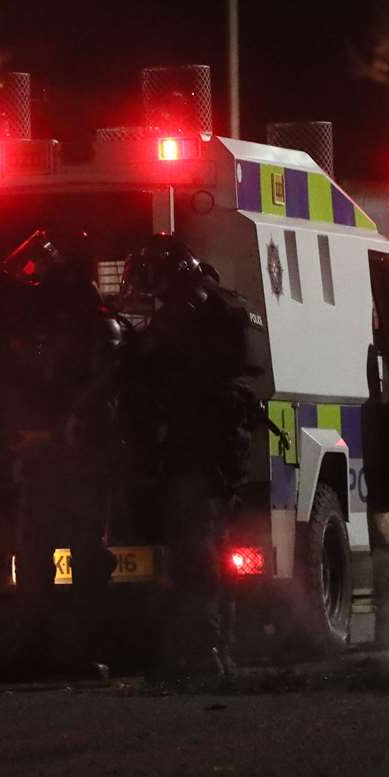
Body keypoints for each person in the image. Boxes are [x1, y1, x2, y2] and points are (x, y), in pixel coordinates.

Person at [122, 233, 269, 674]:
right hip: (225, 435)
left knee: (196, 544)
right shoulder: (221, 302)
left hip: (200, 435)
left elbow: (156, 362)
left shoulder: (186, 308)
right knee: (216, 540)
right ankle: (221, 645)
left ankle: (205, 648)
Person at [0, 228, 125, 678]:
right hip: (47, 465)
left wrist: (50, 437)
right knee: (36, 558)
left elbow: (96, 404)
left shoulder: (95, 325)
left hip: (78, 465)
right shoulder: (50, 324)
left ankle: (75, 653)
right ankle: (38, 651)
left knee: (81, 559)